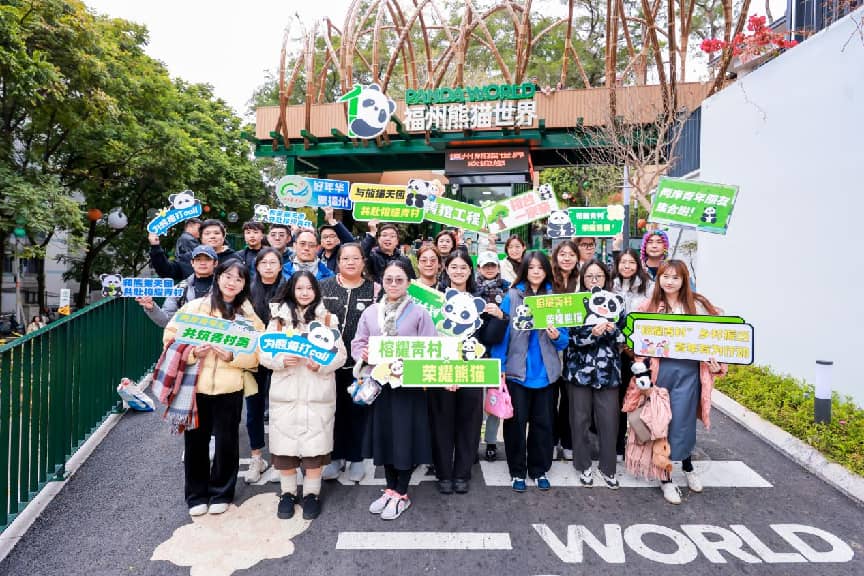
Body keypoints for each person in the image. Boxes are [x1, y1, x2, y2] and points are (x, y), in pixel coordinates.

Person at [162, 259, 264, 516]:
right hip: (197, 386)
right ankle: (196, 494)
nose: (232, 283)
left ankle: (222, 492)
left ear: (244, 285)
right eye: (228, 276)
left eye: (239, 279)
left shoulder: (247, 316)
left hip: (230, 388)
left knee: (227, 442)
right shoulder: (195, 307)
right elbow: (170, 338)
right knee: (195, 442)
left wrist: (232, 356)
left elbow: (258, 351)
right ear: (218, 277)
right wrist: (193, 353)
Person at [623, 259, 727, 504]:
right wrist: (641, 368)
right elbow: (633, 341)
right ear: (658, 278)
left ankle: (688, 466)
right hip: (660, 372)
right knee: (661, 424)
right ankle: (665, 476)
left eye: (675, 277)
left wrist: (717, 364)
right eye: (665, 276)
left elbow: (717, 339)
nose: (669, 282)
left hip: (689, 372)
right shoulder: (648, 306)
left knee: (684, 422)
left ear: (684, 280)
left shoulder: (698, 306)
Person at [259, 271, 347, 520]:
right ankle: (287, 493)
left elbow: (340, 355)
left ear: (316, 291)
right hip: (285, 393)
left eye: (309, 288)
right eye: (299, 288)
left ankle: (311, 494)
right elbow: (263, 353)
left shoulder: (327, 319)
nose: (304, 293)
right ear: (291, 290)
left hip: (317, 392)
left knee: (315, 449)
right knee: (285, 449)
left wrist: (322, 365)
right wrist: (280, 360)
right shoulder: (278, 320)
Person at [352, 261, 436, 520]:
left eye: (399, 279)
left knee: (405, 438)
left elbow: (430, 346)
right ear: (382, 282)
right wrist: (364, 355)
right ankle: (390, 488)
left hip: (408, 387)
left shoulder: (419, 313)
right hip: (380, 386)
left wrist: (411, 366)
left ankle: (402, 492)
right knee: (385, 437)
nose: (394, 284)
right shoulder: (371, 312)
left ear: (409, 283)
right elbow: (358, 342)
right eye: (389, 279)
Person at [491, 252, 568, 492]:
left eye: (540, 268)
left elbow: (564, 340)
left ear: (547, 271)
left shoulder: (554, 298)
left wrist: (557, 336)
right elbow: (502, 334)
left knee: (543, 424)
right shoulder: (512, 296)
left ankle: (539, 469)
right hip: (517, 373)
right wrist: (500, 367)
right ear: (524, 270)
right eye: (531, 267)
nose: (536, 271)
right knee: (515, 425)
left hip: (546, 374)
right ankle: (517, 471)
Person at [428, 252, 488, 495]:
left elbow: (490, 337)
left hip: (472, 369)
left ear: (470, 271)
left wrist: (498, 317)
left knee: (470, 423)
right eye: (454, 266)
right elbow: (427, 334)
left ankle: (462, 473)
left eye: (464, 267)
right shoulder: (435, 299)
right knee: (441, 422)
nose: (459, 271)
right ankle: (443, 473)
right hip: (440, 367)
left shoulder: (480, 299)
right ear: (446, 269)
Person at [319, 243, 379, 482]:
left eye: (356, 258)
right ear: (338, 262)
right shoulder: (324, 286)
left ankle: (356, 458)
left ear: (363, 262)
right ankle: (335, 457)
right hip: (329, 363)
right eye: (345, 258)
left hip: (360, 365)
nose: (351, 262)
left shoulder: (374, 290)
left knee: (358, 410)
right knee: (332, 412)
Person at [564, 259, 625, 489]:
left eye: (598, 276)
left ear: (606, 278)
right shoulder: (575, 303)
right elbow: (569, 339)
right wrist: (592, 334)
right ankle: (583, 465)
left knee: (609, 421)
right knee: (579, 420)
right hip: (579, 371)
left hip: (609, 372)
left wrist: (613, 331)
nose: (594, 280)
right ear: (582, 279)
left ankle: (608, 468)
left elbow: (625, 339)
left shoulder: (616, 302)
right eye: (589, 276)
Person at [242, 247, 286, 483]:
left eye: (273, 262)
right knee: (254, 410)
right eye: (264, 263)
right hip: (254, 358)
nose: (268, 267)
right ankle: (256, 457)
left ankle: (281, 459)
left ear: (281, 266)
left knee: (281, 408)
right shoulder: (247, 290)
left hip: (282, 357)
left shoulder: (289, 289)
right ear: (256, 266)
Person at [611, 248, 654, 458]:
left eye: (631, 262)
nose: (626, 266)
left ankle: (641, 443)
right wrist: (622, 344)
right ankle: (619, 445)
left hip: (641, 354)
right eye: (623, 262)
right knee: (618, 399)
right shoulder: (610, 287)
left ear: (638, 265)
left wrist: (637, 349)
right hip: (617, 353)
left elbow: (654, 320)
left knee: (640, 398)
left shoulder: (649, 288)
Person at [474, 251, 510, 462]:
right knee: (475, 402)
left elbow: (512, 320)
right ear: (478, 268)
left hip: (497, 353)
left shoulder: (508, 289)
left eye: (492, 265)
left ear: (498, 267)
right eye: (485, 265)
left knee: (494, 398)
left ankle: (490, 441)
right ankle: (473, 440)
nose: (489, 269)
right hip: (474, 353)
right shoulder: (471, 290)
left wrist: (500, 315)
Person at [550, 240, 579, 461]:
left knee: (571, 399)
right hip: (551, 344)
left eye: (571, 254)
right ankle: (551, 441)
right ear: (556, 257)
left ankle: (568, 442)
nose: (567, 258)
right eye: (563, 254)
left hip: (577, 348)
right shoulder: (549, 281)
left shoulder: (582, 281)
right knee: (550, 398)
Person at [139, 245, 218, 327]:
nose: (202, 263)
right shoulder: (180, 289)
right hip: (188, 333)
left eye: (207, 259)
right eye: (198, 259)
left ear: (215, 263)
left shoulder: (224, 287)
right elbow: (166, 320)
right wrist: (151, 308)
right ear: (192, 263)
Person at [149, 219, 238, 281]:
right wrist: (155, 246)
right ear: (201, 237)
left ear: (223, 236)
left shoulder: (235, 259)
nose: (212, 236)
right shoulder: (188, 258)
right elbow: (166, 271)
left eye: (216, 233)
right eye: (207, 233)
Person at [318, 207, 357, 273]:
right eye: (325, 237)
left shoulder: (343, 254)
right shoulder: (316, 257)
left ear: (338, 240)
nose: (328, 240)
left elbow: (351, 243)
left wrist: (331, 220)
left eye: (332, 236)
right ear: (321, 241)